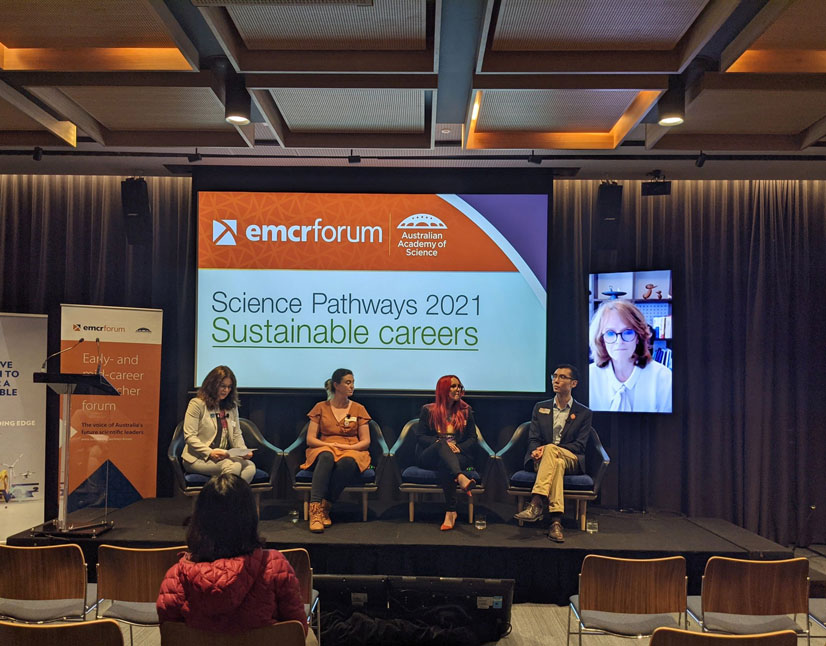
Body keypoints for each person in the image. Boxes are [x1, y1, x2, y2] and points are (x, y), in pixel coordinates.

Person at [157, 473, 313, 642]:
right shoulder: (276, 567)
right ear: (251, 517)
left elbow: (171, 636)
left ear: (199, 518)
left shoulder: (177, 577)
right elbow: (297, 631)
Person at [514, 364, 592, 543]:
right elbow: (533, 438)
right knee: (555, 463)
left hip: (571, 459)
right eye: (554, 376)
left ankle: (536, 503)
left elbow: (579, 446)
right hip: (544, 460)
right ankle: (556, 522)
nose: (556, 380)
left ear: (574, 383)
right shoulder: (540, 407)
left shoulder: (584, 413)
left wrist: (550, 449)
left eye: (562, 377)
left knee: (551, 451)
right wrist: (535, 451)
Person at [302, 368, 371, 533]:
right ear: (336, 385)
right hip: (325, 446)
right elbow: (311, 439)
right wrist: (328, 446)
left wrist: (348, 447)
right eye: (348, 383)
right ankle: (316, 510)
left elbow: (366, 441)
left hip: (352, 448)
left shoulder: (359, 409)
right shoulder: (320, 407)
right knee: (326, 456)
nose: (352, 386)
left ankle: (326, 505)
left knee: (347, 462)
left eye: (353, 383)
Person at [415, 375, 478, 531]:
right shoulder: (428, 410)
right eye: (453, 386)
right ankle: (461, 478)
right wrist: (437, 444)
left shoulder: (466, 410)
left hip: (457, 456)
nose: (458, 389)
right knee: (443, 444)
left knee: (446, 464)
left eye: (459, 386)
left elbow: (473, 438)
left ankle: (451, 512)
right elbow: (420, 436)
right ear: (443, 389)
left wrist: (460, 448)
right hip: (430, 455)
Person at [588, 300, 672, 412]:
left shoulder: (663, 378)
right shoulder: (588, 377)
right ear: (601, 339)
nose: (619, 341)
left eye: (627, 332)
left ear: (638, 337)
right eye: (610, 333)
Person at [181, 365, 256, 482]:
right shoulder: (197, 404)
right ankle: (225, 500)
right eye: (222, 386)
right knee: (232, 466)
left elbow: (236, 434)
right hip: (198, 458)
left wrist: (243, 451)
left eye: (229, 387)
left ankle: (234, 500)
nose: (226, 390)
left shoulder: (231, 406)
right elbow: (189, 437)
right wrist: (210, 452)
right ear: (212, 385)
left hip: (223, 456)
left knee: (250, 466)